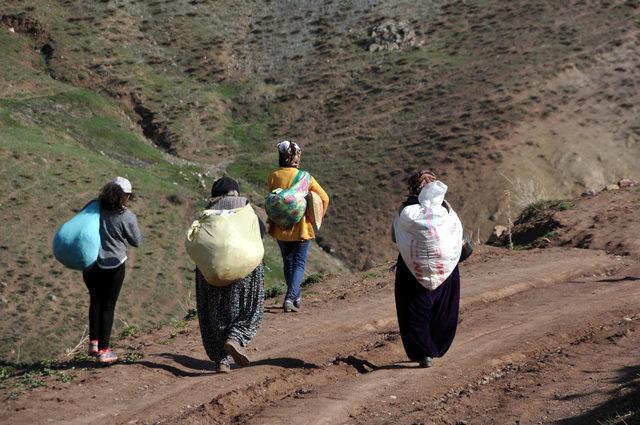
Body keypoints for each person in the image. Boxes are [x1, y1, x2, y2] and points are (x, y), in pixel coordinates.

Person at [195, 177, 266, 373]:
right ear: (236, 192)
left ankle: (221, 361)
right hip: (245, 271)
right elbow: (261, 231)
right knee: (251, 307)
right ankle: (235, 338)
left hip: (211, 273)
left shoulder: (206, 214)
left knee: (213, 313)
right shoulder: (244, 210)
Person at [392, 170, 461, 368]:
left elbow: (394, 237)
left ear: (411, 188)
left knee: (413, 307)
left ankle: (423, 353)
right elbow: (456, 233)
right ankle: (437, 345)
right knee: (443, 306)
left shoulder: (404, 210)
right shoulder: (446, 208)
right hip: (445, 267)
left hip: (411, 267)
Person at [83, 177, 142, 364]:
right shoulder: (126, 215)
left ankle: (93, 343)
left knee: (95, 301)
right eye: (128, 196)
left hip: (90, 263)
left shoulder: (93, 206)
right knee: (108, 306)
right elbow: (136, 241)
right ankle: (104, 350)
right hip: (114, 264)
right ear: (124, 196)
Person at [267, 140, 329, 313]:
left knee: (288, 262)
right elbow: (324, 198)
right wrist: (314, 216)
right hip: (301, 227)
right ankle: (290, 297)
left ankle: (296, 295)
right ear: (296, 157)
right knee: (299, 263)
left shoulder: (273, 175)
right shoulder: (305, 177)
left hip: (280, 226)